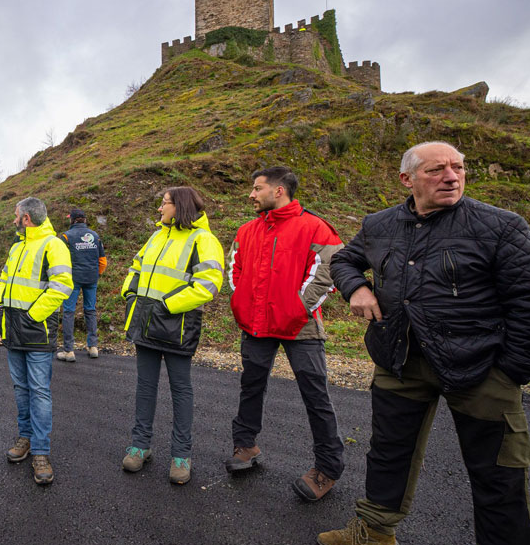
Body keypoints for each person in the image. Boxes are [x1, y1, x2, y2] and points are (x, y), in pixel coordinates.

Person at [318, 142, 530, 545]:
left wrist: (510, 371)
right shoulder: (380, 224)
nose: (452, 177)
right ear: (407, 180)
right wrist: (356, 287)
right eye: (437, 170)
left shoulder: (500, 226)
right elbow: (346, 258)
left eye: (458, 168)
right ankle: (376, 530)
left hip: (482, 368)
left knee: (497, 474)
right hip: (400, 360)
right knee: (389, 452)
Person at [225, 166, 346, 501]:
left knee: (315, 394)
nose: (251, 194)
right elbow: (233, 269)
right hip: (256, 323)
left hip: (301, 324)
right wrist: (239, 301)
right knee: (251, 385)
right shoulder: (247, 229)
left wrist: (296, 309)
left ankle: (328, 467)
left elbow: (330, 270)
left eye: (257, 188)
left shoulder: (315, 226)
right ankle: (245, 446)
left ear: (279, 191)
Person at [120, 187, 224, 485]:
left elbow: (208, 284)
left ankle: (181, 455)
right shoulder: (157, 235)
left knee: (181, 391)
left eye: (163, 204)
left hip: (177, 328)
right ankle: (140, 446)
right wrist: (130, 292)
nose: (159, 209)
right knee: (145, 387)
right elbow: (136, 267)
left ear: (179, 206)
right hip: (146, 325)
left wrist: (166, 306)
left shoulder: (204, 240)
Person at [0, 198, 73, 485]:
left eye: (16, 216)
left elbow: (62, 286)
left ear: (26, 218)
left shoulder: (54, 245)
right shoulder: (17, 246)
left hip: (36, 332)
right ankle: (25, 438)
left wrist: (33, 315)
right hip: (12, 331)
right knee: (21, 388)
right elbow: (4, 279)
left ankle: (40, 451)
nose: (13, 220)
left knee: (39, 391)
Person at [56, 209, 107, 362]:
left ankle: (69, 350)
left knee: (69, 312)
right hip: (91, 278)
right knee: (90, 310)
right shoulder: (95, 236)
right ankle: (93, 347)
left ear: (72, 220)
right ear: (84, 220)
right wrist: (96, 274)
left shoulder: (65, 237)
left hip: (72, 279)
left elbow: (59, 260)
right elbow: (103, 261)